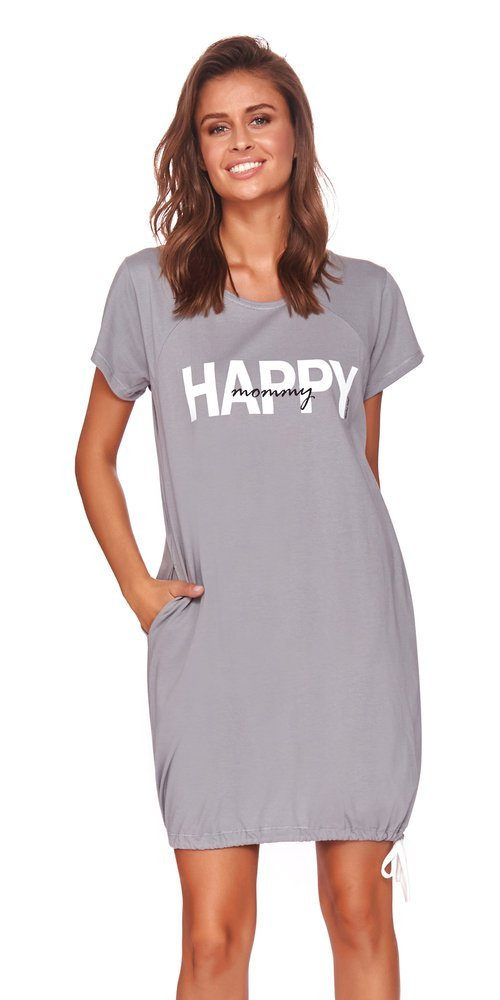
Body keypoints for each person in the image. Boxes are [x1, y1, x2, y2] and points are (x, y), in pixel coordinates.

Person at [75, 34, 424, 1000]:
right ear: (196, 150)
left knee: (360, 913)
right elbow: (93, 457)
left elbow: (357, 474)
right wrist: (141, 593)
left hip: (350, 645)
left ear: (296, 134)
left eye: (259, 119)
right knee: (212, 938)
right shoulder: (148, 287)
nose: (240, 142)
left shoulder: (366, 295)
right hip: (216, 643)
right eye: (216, 127)